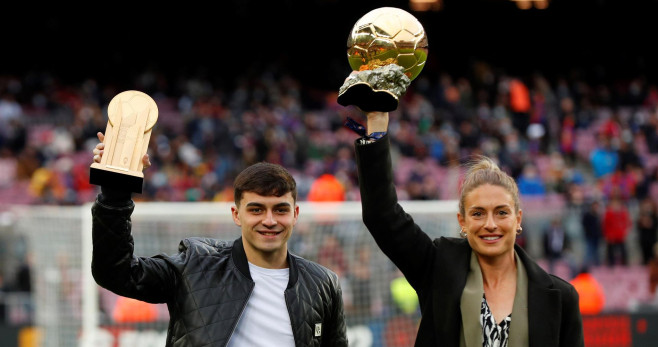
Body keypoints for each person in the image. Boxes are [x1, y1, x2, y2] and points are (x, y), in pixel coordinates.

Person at [347, 96, 584, 345]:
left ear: (518, 219)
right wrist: (376, 120)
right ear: (462, 221)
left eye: (502, 212)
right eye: (478, 213)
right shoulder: (438, 266)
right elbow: (382, 215)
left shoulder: (561, 298)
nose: (490, 224)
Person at [90, 132, 347, 347]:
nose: (269, 220)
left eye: (280, 209)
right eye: (256, 209)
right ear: (236, 215)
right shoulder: (196, 265)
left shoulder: (323, 284)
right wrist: (115, 192)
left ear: (295, 214)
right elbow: (116, 272)